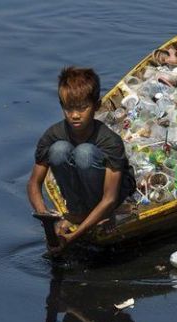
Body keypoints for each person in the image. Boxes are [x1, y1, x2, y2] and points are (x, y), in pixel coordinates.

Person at [27, 66, 135, 252]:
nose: (75, 115)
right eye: (69, 108)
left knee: (84, 153)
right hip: (80, 186)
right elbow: (33, 184)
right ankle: (77, 212)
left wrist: (72, 238)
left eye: (82, 108)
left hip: (113, 196)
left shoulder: (110, 141)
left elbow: (110, 198)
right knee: (59, 150)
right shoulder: (52, 135)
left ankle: (99, 215)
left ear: (97, 106)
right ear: (62, 106)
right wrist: (46, 221)